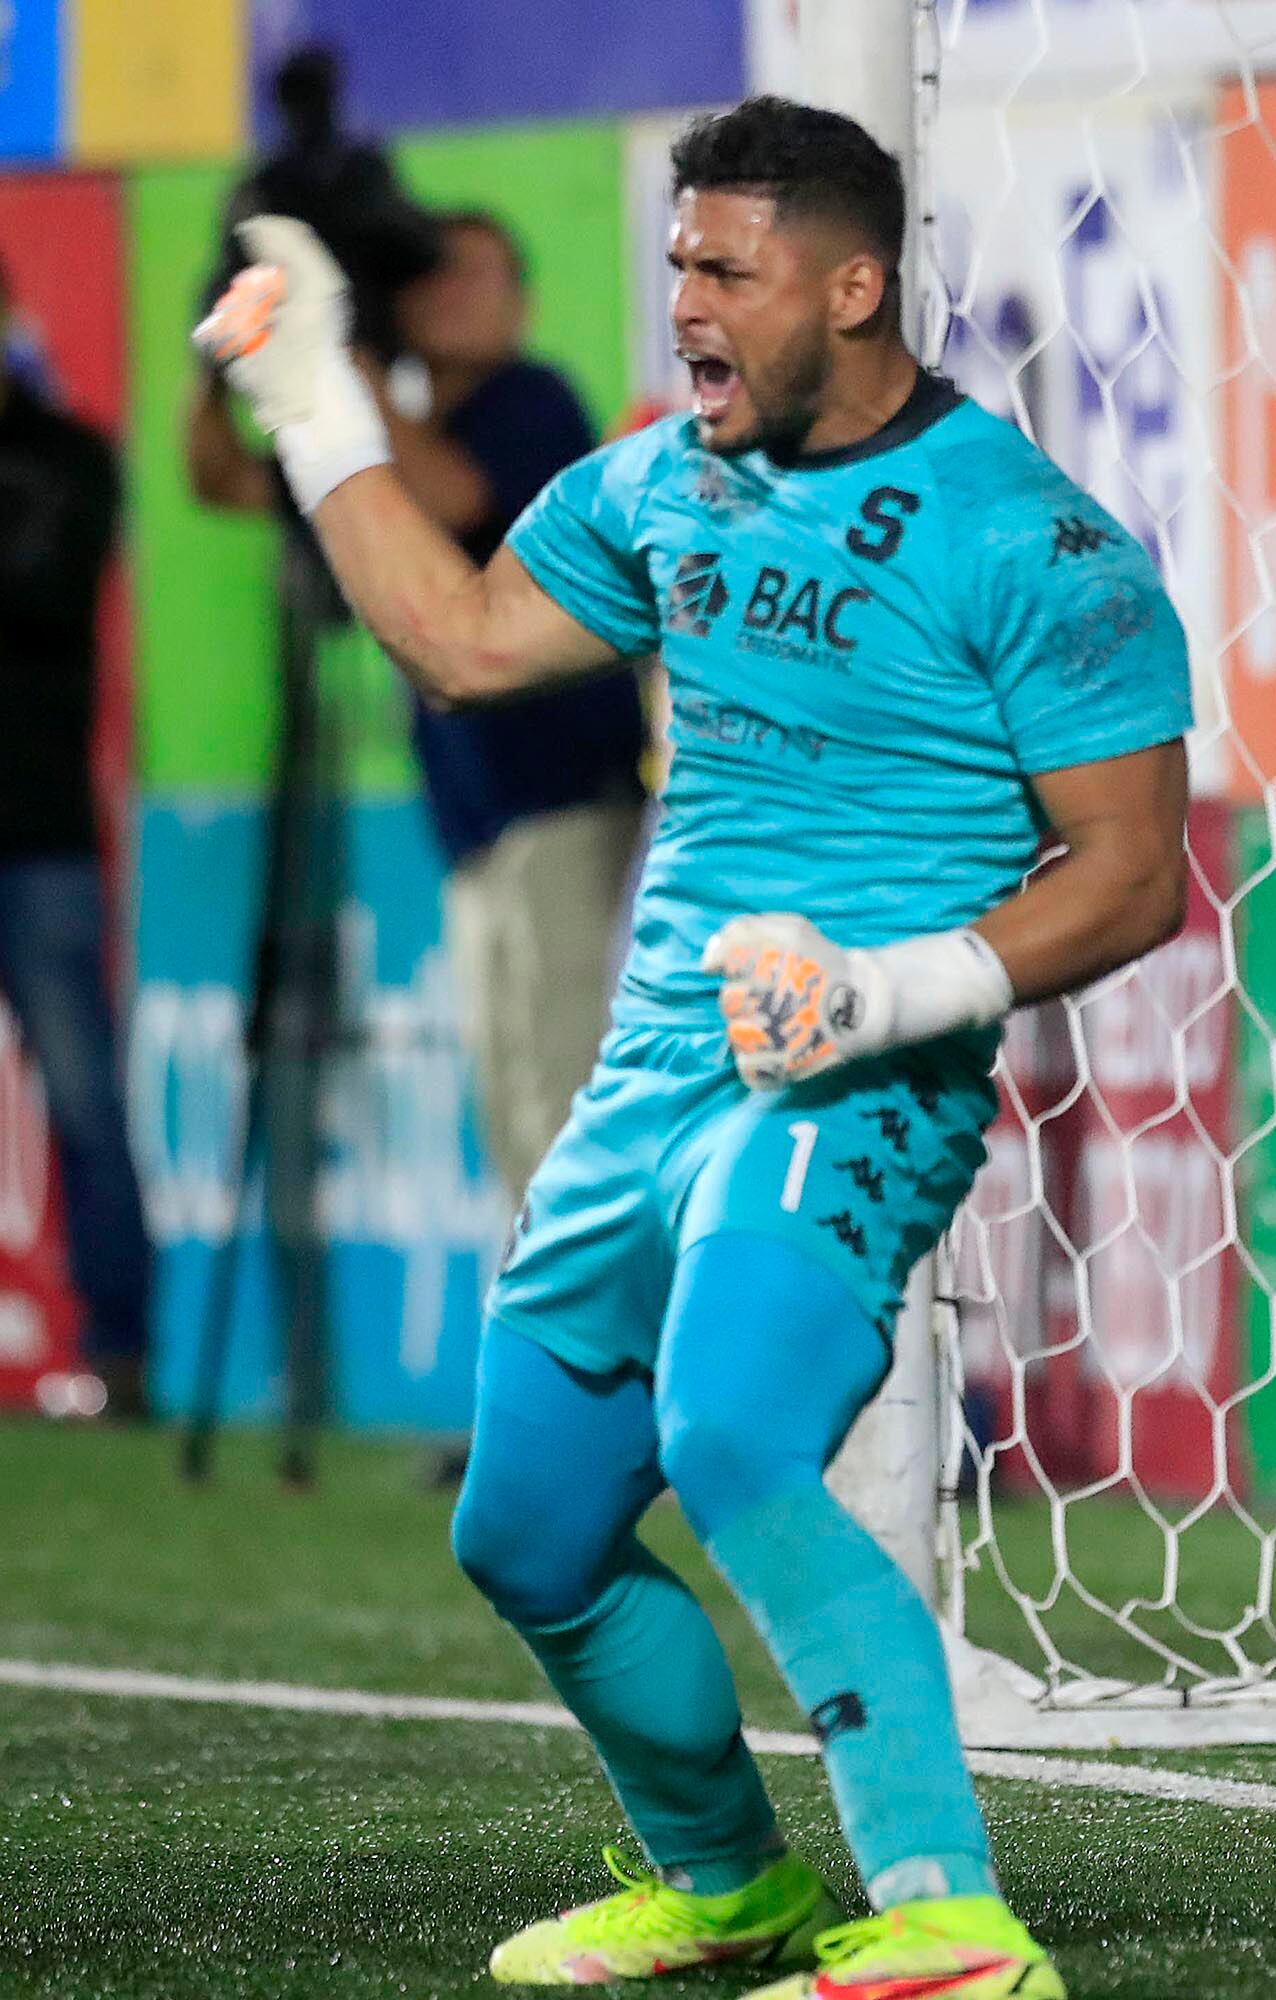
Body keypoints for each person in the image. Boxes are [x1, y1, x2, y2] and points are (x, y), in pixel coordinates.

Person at [195, 96, 1192, 2000]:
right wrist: (313, 399)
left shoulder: (1033, 539)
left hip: (856, 1079)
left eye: (727, 271)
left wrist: (884, 991)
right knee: (526, 1530)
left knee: (730, 1428)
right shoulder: (660, 483)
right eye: (678, 268)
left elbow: (1134, 874)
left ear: (854, 287)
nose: (687, 306)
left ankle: (950, 1924)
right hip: (652, 1076)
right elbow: (463, 641)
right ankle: (730, 1885)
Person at [387, 211, 647, 1212]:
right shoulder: (405, 434)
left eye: (476, 274)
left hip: (564, 806)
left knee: (564, 1112)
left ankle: (601, 1316)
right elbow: (232, 482)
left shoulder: (533, 401)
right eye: (432, 272)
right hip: (476, 827)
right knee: (509, 1119)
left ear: (522, 303)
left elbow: (456, 498)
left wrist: (344, 381)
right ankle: (553, 1311)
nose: (449, 292)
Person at [0, 260, 151, 1420]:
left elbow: (47, 595)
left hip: (39, 823)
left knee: (86, 1096)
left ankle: (120, 1349)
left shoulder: (66, 458)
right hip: (43, 829)